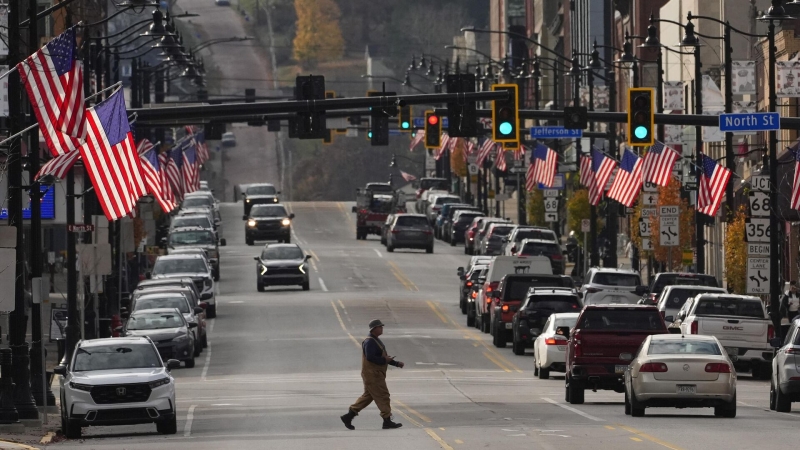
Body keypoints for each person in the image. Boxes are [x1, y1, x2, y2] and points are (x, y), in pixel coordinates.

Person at [340, 319, 404, 430]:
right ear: (374, 329)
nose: (382, 328)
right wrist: (384, 361)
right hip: (373, 375)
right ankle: (387, 420)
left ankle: (349, 416)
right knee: (383, 396)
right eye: (380, 327)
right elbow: (370, 357)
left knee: (368, 397)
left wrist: (396, 363)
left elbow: (384, 358)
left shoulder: (376, 340)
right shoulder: (370, 342)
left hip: (375, 374)